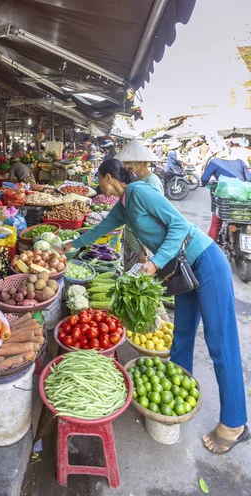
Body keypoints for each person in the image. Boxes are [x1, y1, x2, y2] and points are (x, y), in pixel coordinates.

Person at [62, 158, 249, 454]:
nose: (98, 185)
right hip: (182, 271)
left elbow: (179, 225)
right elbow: (102, 229)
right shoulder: (123, 205)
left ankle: (235, 422)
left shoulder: (139, 192)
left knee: (220, 342)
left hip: (205, 262)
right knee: (183, 334)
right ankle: (176, 391)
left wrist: (155, 263)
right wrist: (71, 245)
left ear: (110, 178)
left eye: (99, 179)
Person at [115, 139, 163, 268]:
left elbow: (155, 219)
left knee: (136, 280)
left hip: (142, 246)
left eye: (128, 162)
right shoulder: (139, 180)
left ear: (140, 162)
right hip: (132, 241)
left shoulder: (152, 182)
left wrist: (144, 249)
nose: (125, 165)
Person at [202, 157, 251, 241]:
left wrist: (204, 184)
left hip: (226, 202)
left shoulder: (214, 162)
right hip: (243, 202)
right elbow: (249, 179)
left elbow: (204, 179)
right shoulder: (240, 161)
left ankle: (210, 247)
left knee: (216, 224)